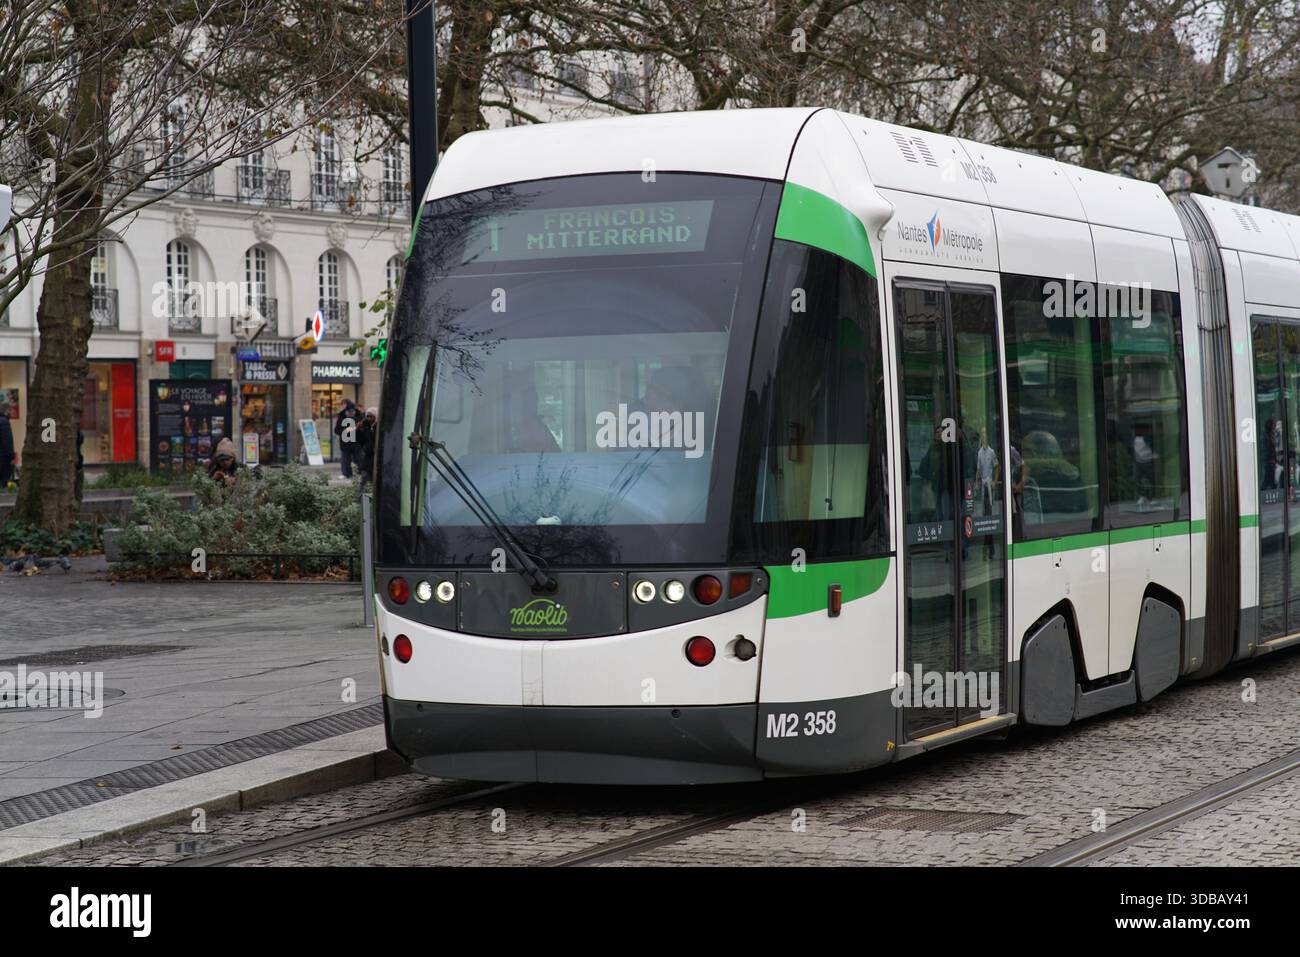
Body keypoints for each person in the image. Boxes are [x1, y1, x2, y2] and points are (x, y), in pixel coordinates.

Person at [334, 399, 361, 477]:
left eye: (352, 412)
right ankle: (346, 474)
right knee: (345, 460)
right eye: (349, 412)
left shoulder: (359, 415)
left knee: (359, 459)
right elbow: (337, 430)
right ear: (346, 412)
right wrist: (345, 431)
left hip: (357, 442)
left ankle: (360, 473)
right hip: (345, 443)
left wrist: (358, 428)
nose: (351, 414)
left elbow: (363, 427)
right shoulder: (341, 416)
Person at [356, 407, 378, 486]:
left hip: (376, 456)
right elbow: (360, 440)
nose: (369, 418)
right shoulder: (365, 427)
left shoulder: (378, 427)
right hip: (368, 456)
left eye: (371, 416)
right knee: (365, 477)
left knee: (374, 478)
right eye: (367, 416)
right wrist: (358, 429)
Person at [0, 397, 14, 487]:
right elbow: (7, 442)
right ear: (7, 410)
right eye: (11, 410)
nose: (12, 413)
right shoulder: (4, 422)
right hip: (3, 460)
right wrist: (11, 456)